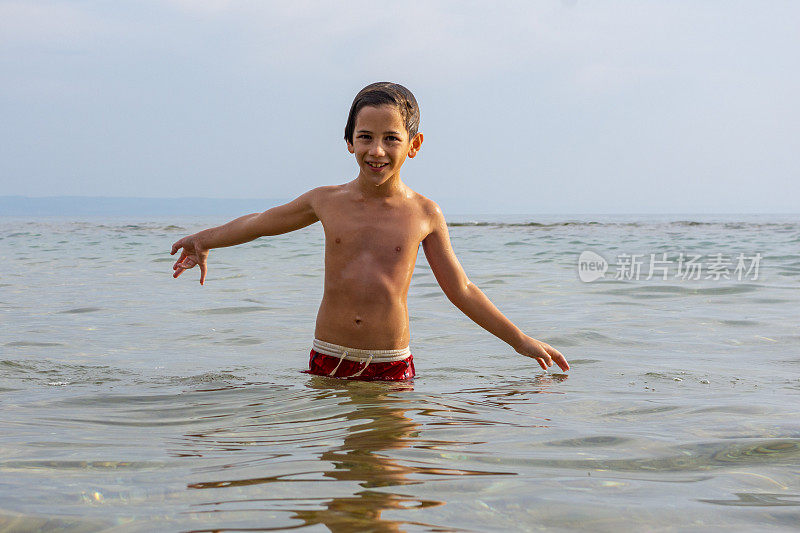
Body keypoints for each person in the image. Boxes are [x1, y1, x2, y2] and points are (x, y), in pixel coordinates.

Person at [171, 82, 569, 381]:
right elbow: (259, 223)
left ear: (414, 145)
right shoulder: (326, 201)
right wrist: (204, 239)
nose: (376, 150)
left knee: (390, 482)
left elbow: (460, 289)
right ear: (349, 142)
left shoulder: (425, 213)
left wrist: (519, 340)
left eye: (391, 139)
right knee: (338, 481)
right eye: (365, 137)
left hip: (391, 365)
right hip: (326, 359)